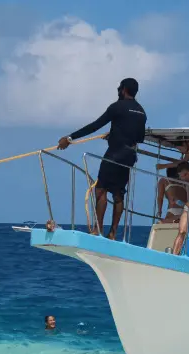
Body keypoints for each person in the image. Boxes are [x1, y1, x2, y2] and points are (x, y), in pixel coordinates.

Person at [57, 78, 147, 240]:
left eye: (120, 88)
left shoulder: (117, 107)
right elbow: (139, 138)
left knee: (101, 189)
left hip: (115, 154)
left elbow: (95, 125)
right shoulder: (141, 112)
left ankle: (97, 230)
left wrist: (70, 138)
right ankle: (112, 233)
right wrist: (115, 135)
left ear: (124, 89)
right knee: (118, 194)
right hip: (129, 156)